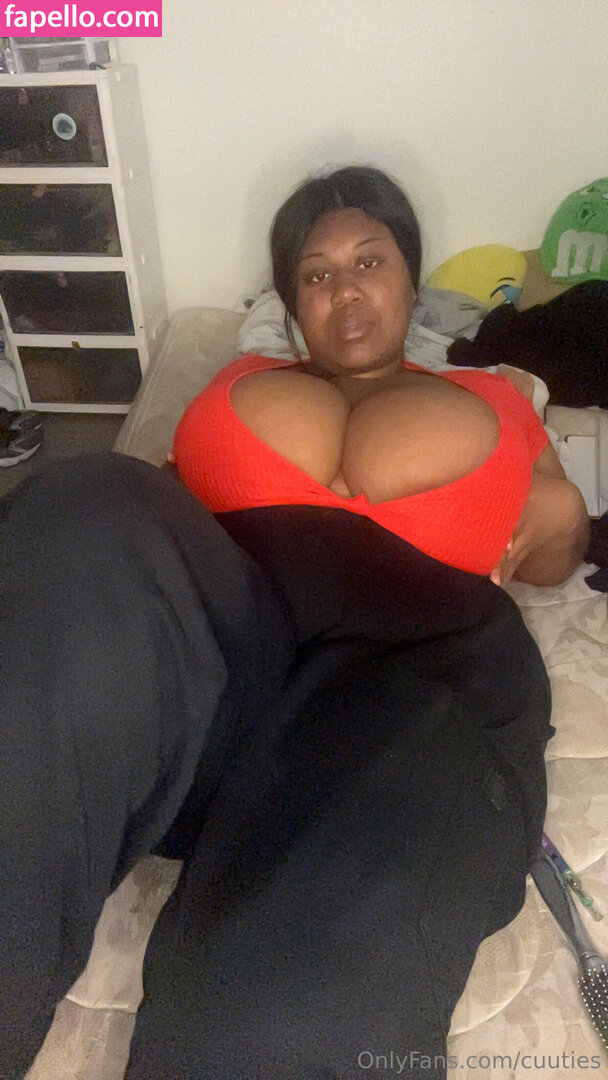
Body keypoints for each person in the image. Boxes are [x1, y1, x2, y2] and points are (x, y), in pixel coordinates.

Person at [0, 167, 589, 1080]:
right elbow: (155, 529)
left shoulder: (499, 398)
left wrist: (559, 516)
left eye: (369, 262)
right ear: (291, 305)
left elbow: (553, 550)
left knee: (287, 994)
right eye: (316, 275)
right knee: (82, 500)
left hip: (420, 669)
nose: (344, 290)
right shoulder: (241, 380)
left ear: (411, 280)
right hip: (231, 649)